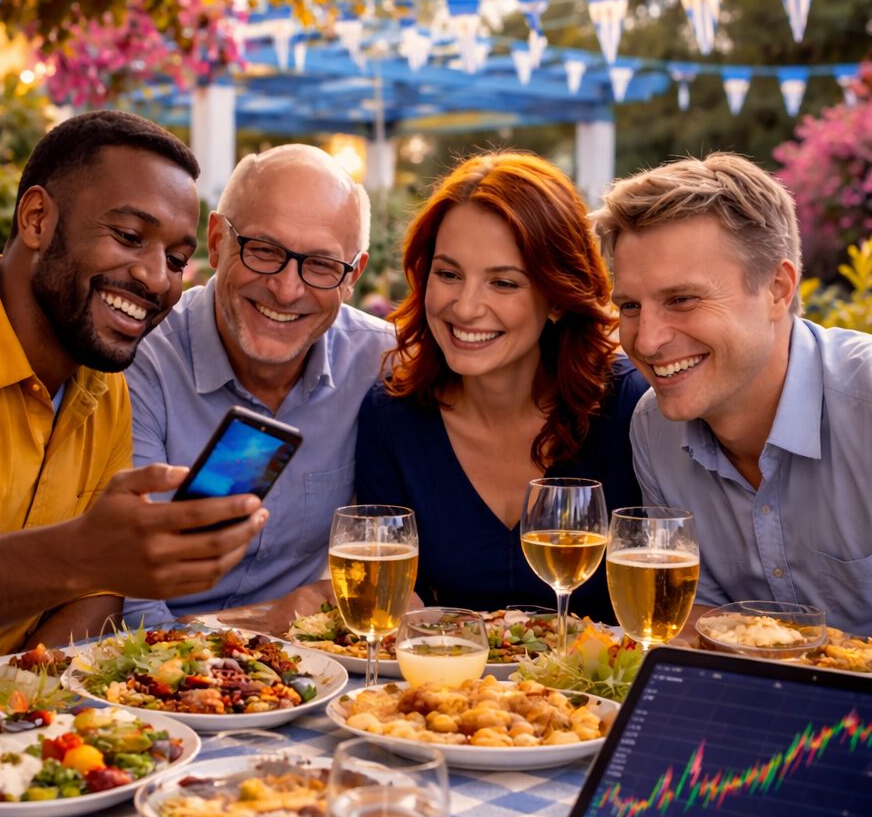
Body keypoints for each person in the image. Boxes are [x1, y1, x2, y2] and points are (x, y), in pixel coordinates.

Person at [0, 110, 268, 679]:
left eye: (175, 259)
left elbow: (96, 593)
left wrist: (7, 702)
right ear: (38, 218)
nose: (155, 278)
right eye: (128, 236)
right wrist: (87, 553)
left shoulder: (105, 387)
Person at [355, 152, 648, 623]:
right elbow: (394, 602)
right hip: (451, 689)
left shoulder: (629, 408)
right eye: (448, 274)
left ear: (556, 298)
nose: (466, 308)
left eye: (504, 283)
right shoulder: (394, 413)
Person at [594, 152, 872, 635]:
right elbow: (689, 623)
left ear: (776, 290)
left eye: (682, 299)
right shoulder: (653, 425)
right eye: (631, 305)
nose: (646, 340)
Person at [123, 144, 395, 626]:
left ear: (353, 276)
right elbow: (133, 610)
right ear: (215, 242)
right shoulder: (141, 362)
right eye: (265, 251)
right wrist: (275, 621)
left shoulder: (380, 362)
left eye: (320, 266)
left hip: (326, 675)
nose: (287, 290)